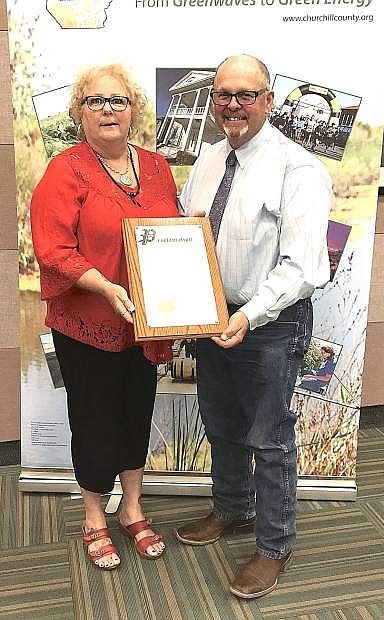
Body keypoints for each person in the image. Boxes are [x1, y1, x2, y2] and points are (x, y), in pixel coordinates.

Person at [175, 54, 332, 599]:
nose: (232, 105)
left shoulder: (300, 169)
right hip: (210, 318)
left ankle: (273, 545)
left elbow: (305, 267)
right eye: (223, 94)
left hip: (267, 324)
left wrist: (246, 314)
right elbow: (188, 231)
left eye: (246, 94)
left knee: (268, 439)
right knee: (220, 424)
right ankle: (230, 511)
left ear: (268, 99)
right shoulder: (208, 160)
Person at [30, 64, 179, 569]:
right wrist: (105, 286)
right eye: (95, 101)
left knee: (136, 409)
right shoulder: (64, 170)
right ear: (80, 112)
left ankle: (132, 507)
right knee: (94, 417)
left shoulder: (157, 167)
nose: (108, 110)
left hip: (146, 320)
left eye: (117, 100)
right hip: (89, 320)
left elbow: (171, 231)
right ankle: (95, 514)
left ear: (133, 109)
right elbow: (52, 250)